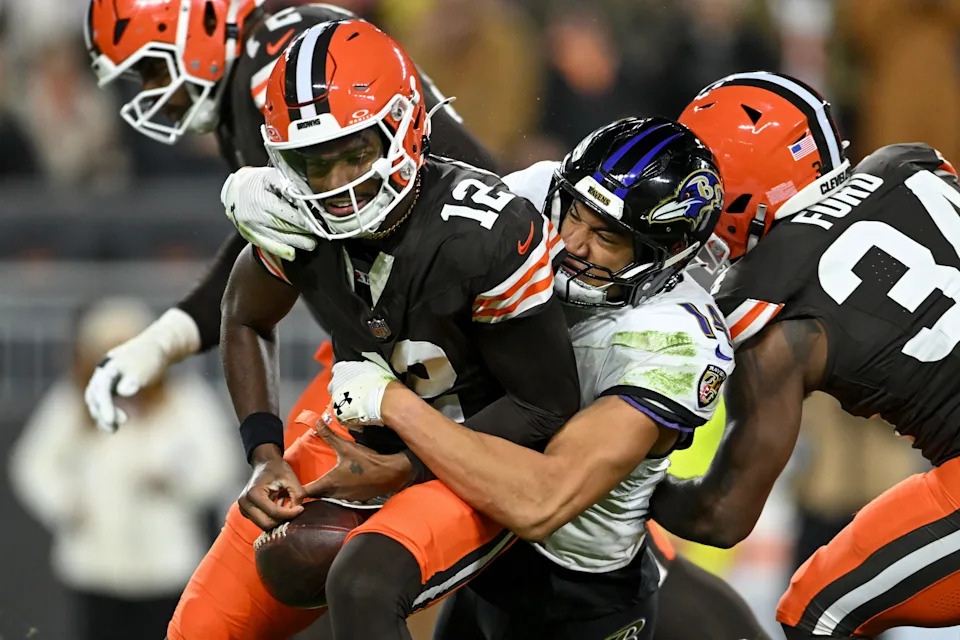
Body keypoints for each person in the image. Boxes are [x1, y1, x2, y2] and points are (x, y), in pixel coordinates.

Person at [176, 19, 580, 640]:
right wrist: (262, 452)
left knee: (364, 581)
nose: (338, 184)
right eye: (313, 161)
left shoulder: (482, 231)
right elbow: (246, 317)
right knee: (201, 627)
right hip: (367, 425)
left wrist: (416, 464)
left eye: (356, 152)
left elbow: (544, 406)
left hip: (484, 443)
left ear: (408, 126)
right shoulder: (293, 213)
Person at [304, 117, 753, 639]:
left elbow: (540, 501)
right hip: (485, 537)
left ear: (664, 254)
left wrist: (394, 407)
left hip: (575, 590)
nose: (573, 243)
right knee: (360, 583)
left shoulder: (674, 340)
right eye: (576, 216)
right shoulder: (538, 196)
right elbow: (420, 213)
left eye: (607, 236)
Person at [81, 0, 496, 438]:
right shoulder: (244, 84)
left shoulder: (282, 56)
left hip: (451, 336)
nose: (152, 94)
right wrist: (160, 343)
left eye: (153, 69)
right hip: (392, 347)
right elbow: (273, 247)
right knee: (277, 497)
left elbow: (358, 203)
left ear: (199, 22)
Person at [648, 71, 960, 639]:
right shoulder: (909, 166)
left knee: (816, 610)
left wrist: (625, 486)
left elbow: (724, 516)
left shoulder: (769, 299)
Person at [8, 298, 238, 640]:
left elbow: (220, 464)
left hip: (166, 562)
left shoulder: (185, 399)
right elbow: (32, 464)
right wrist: (68, 504)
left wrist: (175, 482)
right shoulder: (72, 400)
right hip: (94, 561)